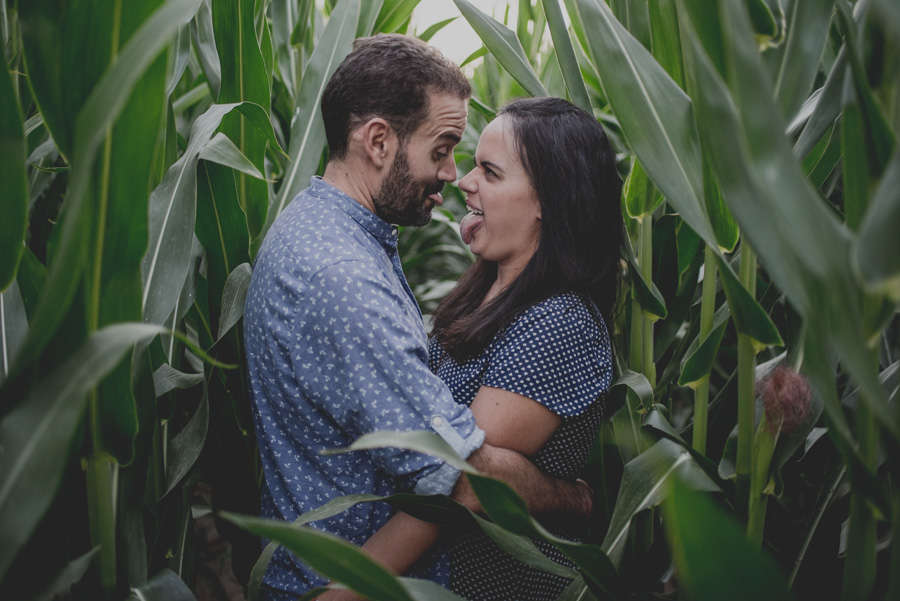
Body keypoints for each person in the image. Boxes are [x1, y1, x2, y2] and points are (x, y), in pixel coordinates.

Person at [243, 34, 592, 601]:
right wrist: (570, 497)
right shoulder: (343, 279)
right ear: (378, 141)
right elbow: (465, 476)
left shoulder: (318, 228)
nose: (454, 174)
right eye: (443, 148)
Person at [425, 96, 623, 600]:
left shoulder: (558, 323)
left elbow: (460, 482)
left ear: (547, 202)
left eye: (490, 173)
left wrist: (353, 582)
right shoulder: (488, 289)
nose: (465, 181)